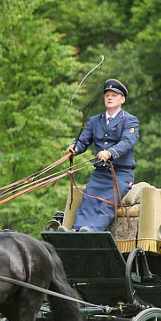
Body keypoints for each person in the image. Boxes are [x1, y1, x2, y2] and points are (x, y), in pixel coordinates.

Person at [65, 78, 139, 231]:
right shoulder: (95, 121)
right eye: (107, 95)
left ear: (122, 99)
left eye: (114, 95)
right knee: (87, 201)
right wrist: (74, 147)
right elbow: (83, 140)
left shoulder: (130, 120)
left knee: (105, 203)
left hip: (120, 175)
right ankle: (75, 230)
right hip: (100, 174)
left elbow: (128, 141)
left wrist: (110, 153)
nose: (110, 97)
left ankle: (91, 231)